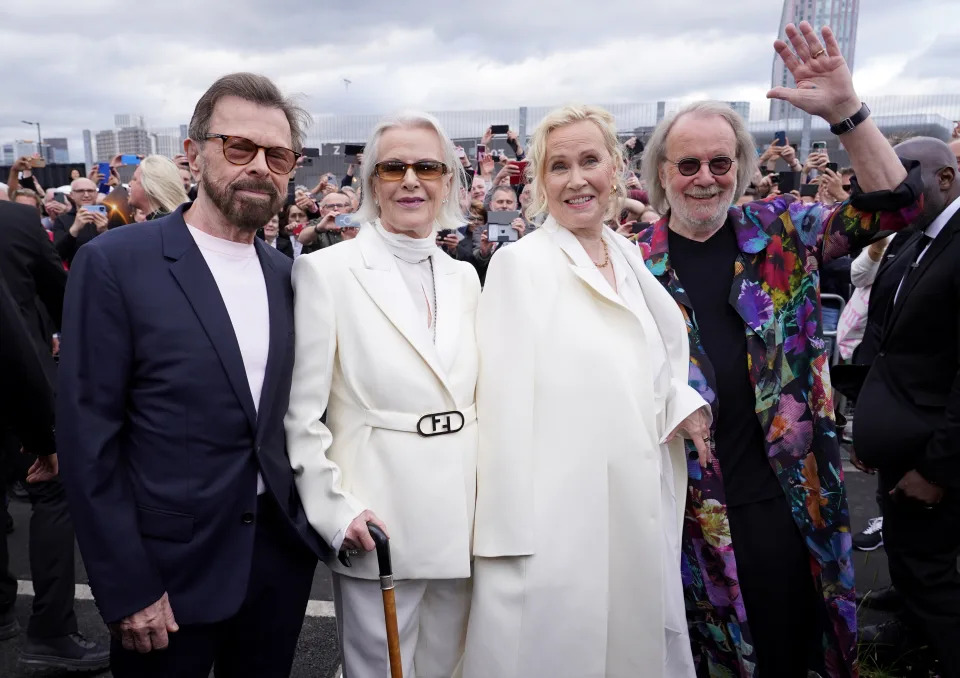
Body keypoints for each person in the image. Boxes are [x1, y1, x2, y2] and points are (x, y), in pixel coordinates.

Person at [635, 22, 922, 677]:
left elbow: (895, 205)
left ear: (740, 166)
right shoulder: (630, 262)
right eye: (688, 164)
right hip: (679, 505)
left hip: (785, 497)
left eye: (720, 162)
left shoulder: (781, 232)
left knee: (790, 652)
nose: (705, 177)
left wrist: (847, 111)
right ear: (660, 172)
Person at [57, 72, 326, 678]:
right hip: (166, 578)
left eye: (277, 154)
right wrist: (127, 586)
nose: (260, 166)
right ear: (194, 153)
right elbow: (87, 440)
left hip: (277, 569)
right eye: (239, 148)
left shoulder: (290, 275)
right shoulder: (116, 263)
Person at [462, 104, 711, 677]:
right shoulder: (519, 265)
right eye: (559, 166)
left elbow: (644, 365)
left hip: (636, 500)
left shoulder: (625, 253)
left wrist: (683, 402)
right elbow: (500, 405)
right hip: (559, 521)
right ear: (540, 182)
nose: (577, 180)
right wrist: (505, 541)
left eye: (590, 160)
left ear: (616, 169)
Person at [285, 111, 478, 677]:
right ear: (371, 181)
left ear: (447, 181)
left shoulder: (466, 276)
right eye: (394, 167)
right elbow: (302, 411)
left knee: (453, 666)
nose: (411, 180)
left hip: (463, 513)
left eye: (427, 166)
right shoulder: (328, 272)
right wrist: (333, 509)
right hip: (378, 517)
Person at [853, 137, 960, 675]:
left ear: (943, 179)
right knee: (906, 553)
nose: (890, 187)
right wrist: (868, 420)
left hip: (935, 454)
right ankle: (912, 635)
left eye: (904, 174)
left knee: (931, 570)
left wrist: (937, 470)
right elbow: (884, 336)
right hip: (900, 438)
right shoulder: (908, 238)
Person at [0, 201, 107, 671]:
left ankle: (4, 607)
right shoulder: (14, 221)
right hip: (16, 390)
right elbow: (18, 335)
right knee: (52, 489)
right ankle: (51, 630)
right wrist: (44, 438)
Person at [50, 178, 108, 266]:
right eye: (80, 191)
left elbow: (120, 249)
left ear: (96, 194)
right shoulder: (62, 220)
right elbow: (58, 254)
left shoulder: (109, 216)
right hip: (78, 272)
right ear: (72, 195)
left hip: (107, 271)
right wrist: (74, 230)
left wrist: (105, 232)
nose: (86, 195)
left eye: (90, 191)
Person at [127, 155, 189, 220]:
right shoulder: (176, 219)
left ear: (150, 185)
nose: (129, 184)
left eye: (134, 179)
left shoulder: (164, 225)